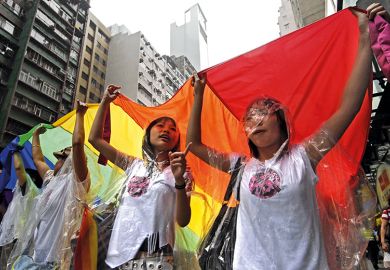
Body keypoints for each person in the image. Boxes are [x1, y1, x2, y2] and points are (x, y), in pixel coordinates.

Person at [186, 6, 378, 270]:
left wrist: (365, 38)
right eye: (251, 117)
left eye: (264, 113)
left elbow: (350, 107)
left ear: (281, 122)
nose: (256, 120)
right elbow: (193, 145)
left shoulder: (304, 156)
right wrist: (198, 97)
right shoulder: (240, 167)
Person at [89, 85, 192, 269]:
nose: (166, 130)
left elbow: (182, 221)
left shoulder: (182, 172)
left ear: (177, 139)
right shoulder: (133, 165)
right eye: (160, 125)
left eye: (172, 128)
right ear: (148, 133)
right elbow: (95, 139)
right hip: (118, 255)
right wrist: (105, 102)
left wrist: (179, 182)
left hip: (155, 255)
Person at [12, 100, 90, 269]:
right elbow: (38, 158)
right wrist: (35, 135)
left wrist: (80, 115)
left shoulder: (76, 184)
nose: (59, 161)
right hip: (31, 258)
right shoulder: (50, 180)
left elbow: (77, 144)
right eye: (59, 158)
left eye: (64, 158)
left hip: (54, 262)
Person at [0, 151, 40, 269]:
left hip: (17, 240)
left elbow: (18, 168)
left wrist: (15, 151)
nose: (18, 181)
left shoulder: (30, 191)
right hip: (19, 240)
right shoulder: (37, 195)